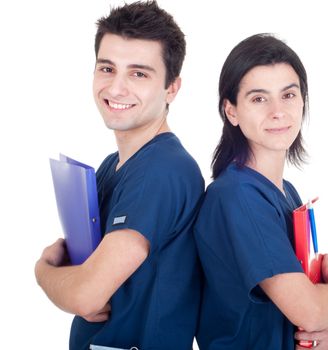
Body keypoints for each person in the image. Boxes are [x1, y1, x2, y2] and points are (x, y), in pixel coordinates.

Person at [35, 2, 204, 349]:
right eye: (107, 68)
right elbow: (88, 272)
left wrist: (43, 271)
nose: (116, 88)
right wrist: (76, 273)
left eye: (139, 73)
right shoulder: (113, 165)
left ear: (172, 88)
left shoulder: (162, 171)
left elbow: (86, 296)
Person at [194, 34, 328, 350]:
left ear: (303, 101)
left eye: (288, 95)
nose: (278, 111)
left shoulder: (286, 193)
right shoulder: (238, 197)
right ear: (231, 111)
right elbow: (312, 311)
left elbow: (315, 293)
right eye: (259, 98)